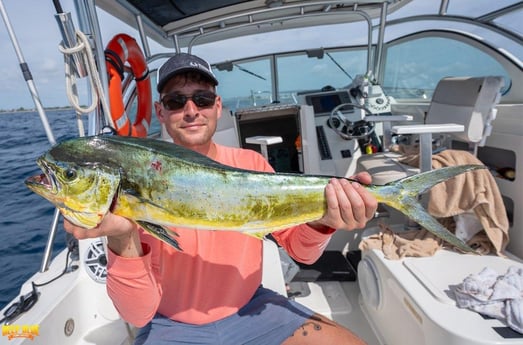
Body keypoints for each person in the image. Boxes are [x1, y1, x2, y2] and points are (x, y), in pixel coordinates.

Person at [64, 53, 377, 345]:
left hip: (253, 309)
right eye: (176, 101)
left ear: (217, 106)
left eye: (202, 99)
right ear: (160, 111)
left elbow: (301, 252)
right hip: (169, 325)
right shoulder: (134, 178)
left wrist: (325, 222)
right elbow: (137, 315)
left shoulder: (252, 165)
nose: (190, 111)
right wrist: (122, 237)